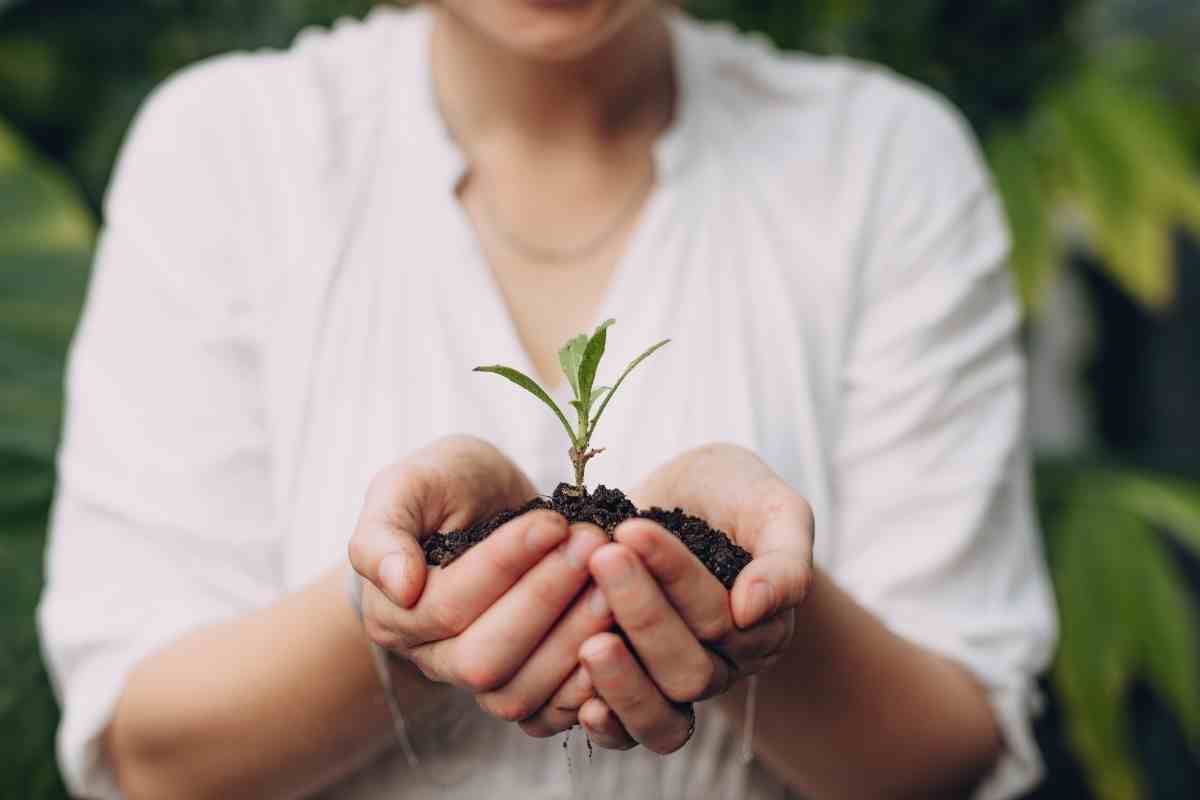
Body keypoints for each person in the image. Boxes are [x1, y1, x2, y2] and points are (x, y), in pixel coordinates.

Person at [37, 1, 1057, 798]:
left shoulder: (883, 164)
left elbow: (946, 760)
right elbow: (150, 757)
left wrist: (759, 612)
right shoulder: (229, 153)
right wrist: (391, 621)